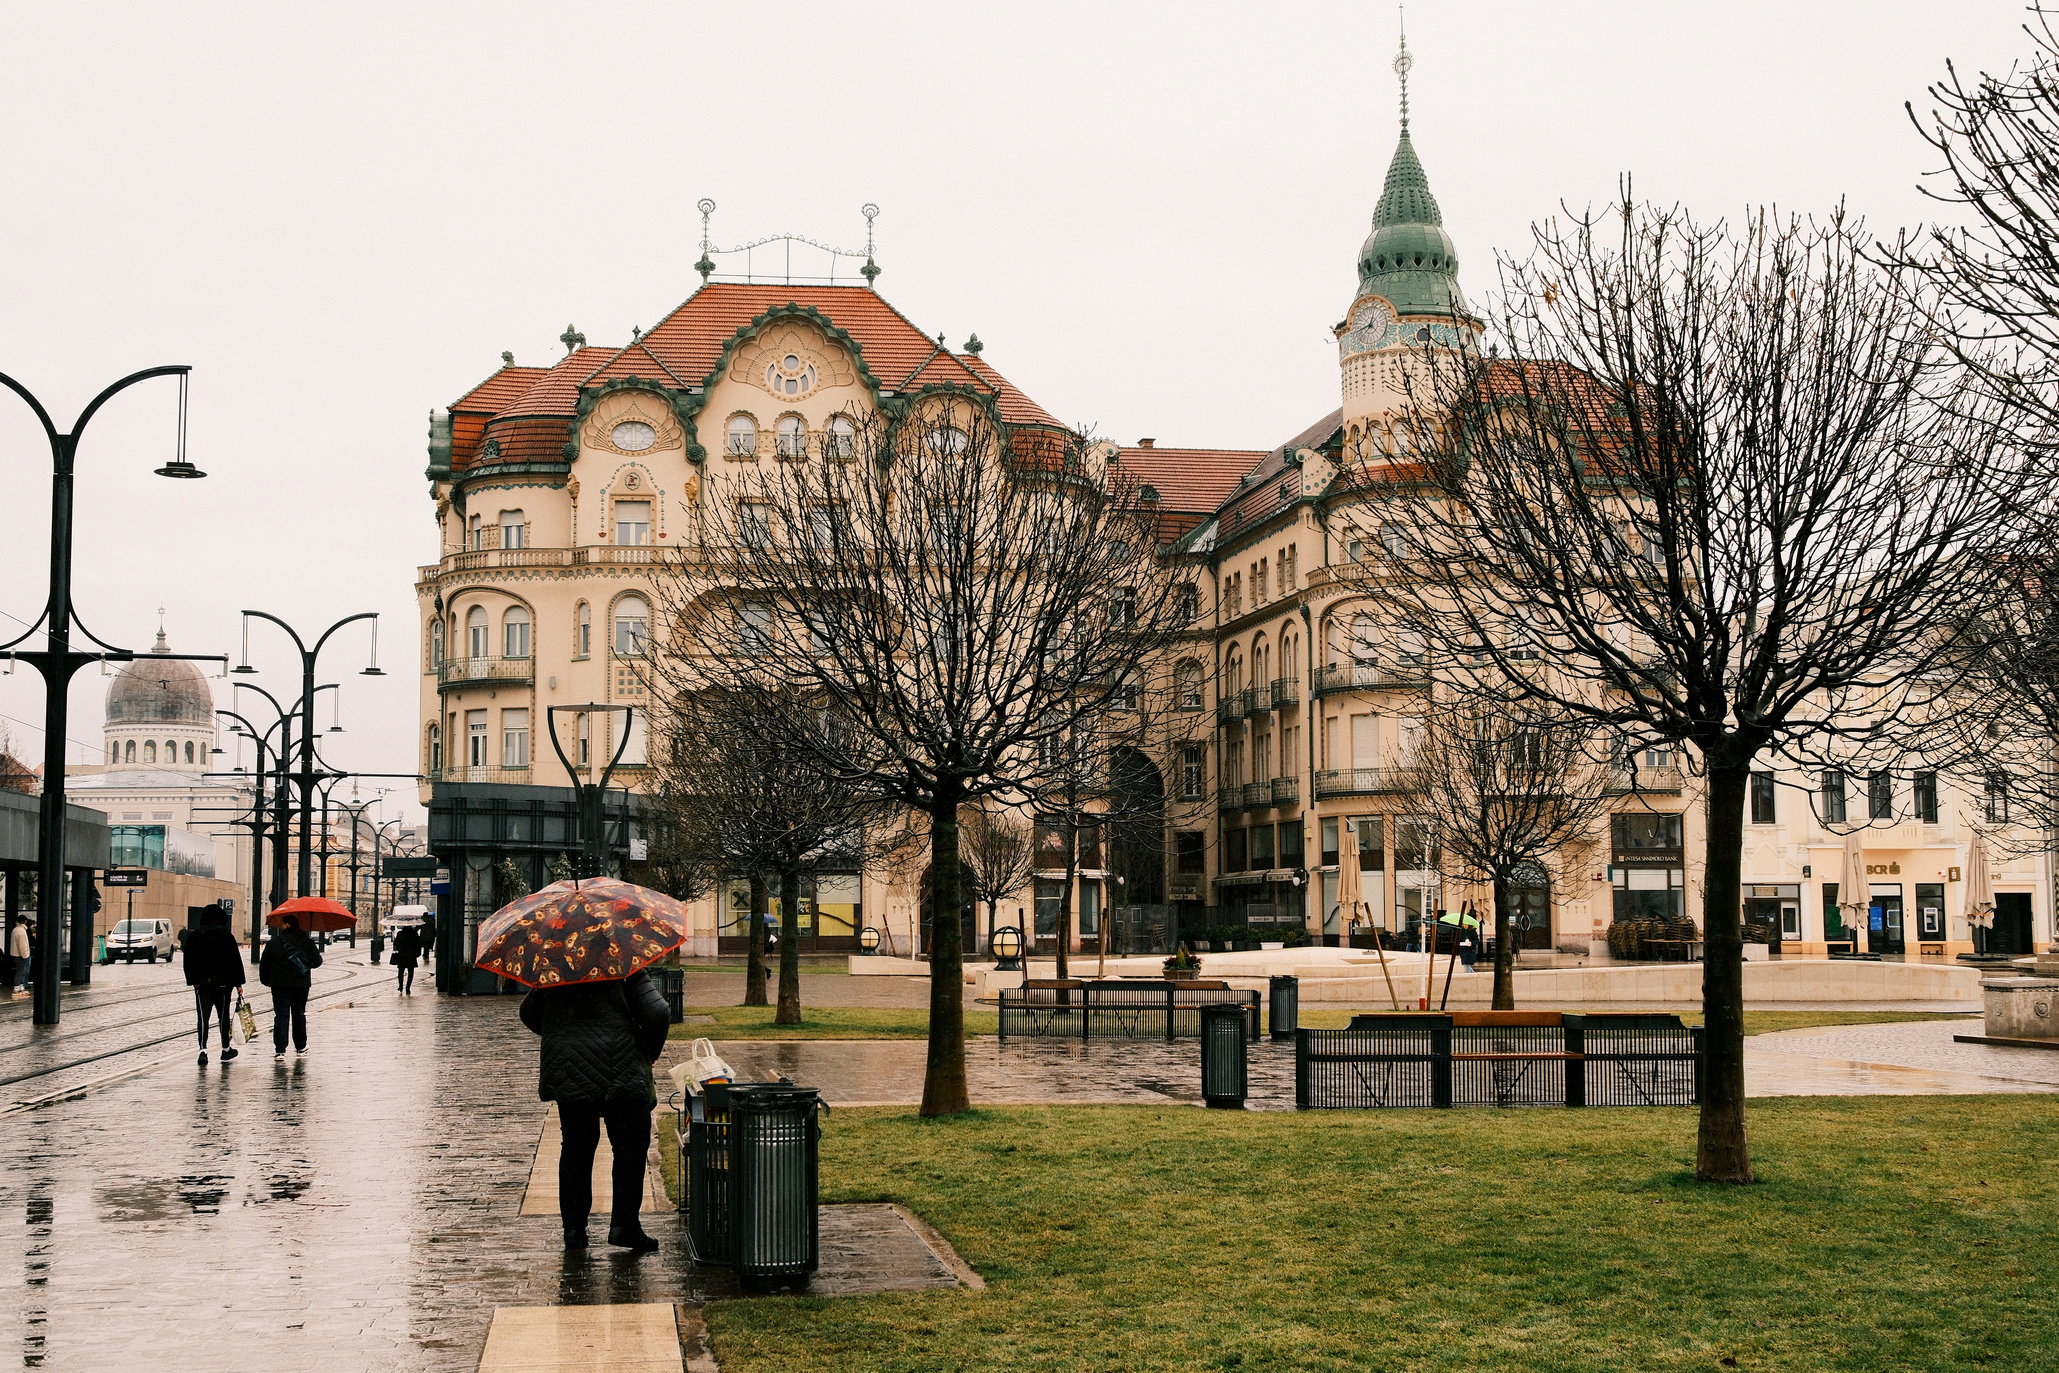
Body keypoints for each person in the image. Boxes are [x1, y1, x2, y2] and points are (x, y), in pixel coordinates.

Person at [519, 970, 669, 1252]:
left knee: (576, 1147)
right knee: (630, 1147)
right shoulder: (623, 963)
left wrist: (565, 1032)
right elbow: (657, 1012)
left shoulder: (556, 967)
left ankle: (574, 1230)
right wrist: (651, 1051)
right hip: (622, 1065)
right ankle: (625, 1226)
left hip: (570, 1069)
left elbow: (528, 1013)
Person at [184, 904, 246, 1065]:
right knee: (223, 1016)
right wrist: (238, 983)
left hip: (202, 984)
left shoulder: (195, 935)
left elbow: (188, 960)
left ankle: (203, 1050)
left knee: (203, 1017)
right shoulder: (226, 936)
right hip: (224, 984)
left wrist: (193, 980)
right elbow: (235, 961)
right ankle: (225, 1048)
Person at [258, 913, 323, 1061]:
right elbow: (318, 961)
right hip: (301, 984)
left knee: (281, 1015)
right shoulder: (306, 942)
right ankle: (300, 1046)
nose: (281, 926)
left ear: (287, 925)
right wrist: (306, 963)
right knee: (298, 1014)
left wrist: (266, 980)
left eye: (283, 923)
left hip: (279, 984)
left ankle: (280, 1050)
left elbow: (265, 963)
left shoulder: (275, 942)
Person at [390, 922, 421, 994]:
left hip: (402, 954)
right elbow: (418, 944)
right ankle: (408, 987)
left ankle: (400, 986)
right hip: (411, 955)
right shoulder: (414, 934)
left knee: (401, 971)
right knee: (410, 972)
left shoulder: (400, 933)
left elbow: (396, 944)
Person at [8, 919, 31, 992]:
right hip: (20, 955)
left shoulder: (15, 930)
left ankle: (20, 985)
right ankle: (17, 986)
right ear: (25, 922)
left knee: (19, 971)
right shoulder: (22, 931)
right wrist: (25, 955)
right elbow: (22, 946)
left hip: (14, 954)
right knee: (20, 971)